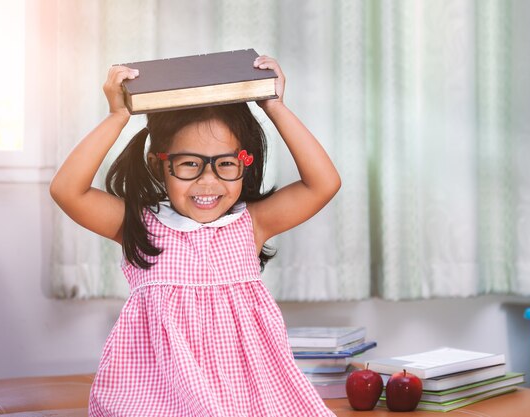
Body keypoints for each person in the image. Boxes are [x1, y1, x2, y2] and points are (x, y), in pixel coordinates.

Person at [50, 55, 340, 416]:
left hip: (245, 395)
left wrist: (274, 106)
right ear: (160, 164)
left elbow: (324, 184)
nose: (208, 181)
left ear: (244, 163)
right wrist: (117, 116)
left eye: (225, 163)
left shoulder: (251, 223)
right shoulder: (139, 223)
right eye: (189, 163)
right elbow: (67, 190)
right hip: (162, 395)